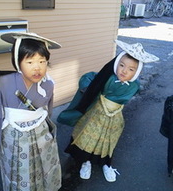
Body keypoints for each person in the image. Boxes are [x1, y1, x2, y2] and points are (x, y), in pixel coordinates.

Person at [57, 40, 159, 182]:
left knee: (108, 140)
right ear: (116, 64)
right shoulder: (107, 77)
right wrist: (88, 87)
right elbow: (90, 77)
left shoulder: (134, 86)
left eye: (131, 69)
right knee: (89, 136)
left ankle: (105, 163)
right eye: (122, 65)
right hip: (97, 113)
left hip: (115, 116)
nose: (124, 71)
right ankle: (86, 162)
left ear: (137, 72)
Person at [0, 32, 62, 191]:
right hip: (14, 137)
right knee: (18, 174)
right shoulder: (3, 81)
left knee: (44, 166)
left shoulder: (48, 84)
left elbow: (47, 111)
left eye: (42, 61)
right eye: (30, 61)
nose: (37, 67)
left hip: (41, 134)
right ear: (17, 62)